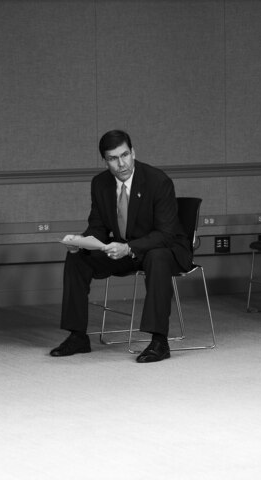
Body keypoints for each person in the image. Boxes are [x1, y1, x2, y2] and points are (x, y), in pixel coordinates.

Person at [49, 130, 190, 363]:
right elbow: (97, 227)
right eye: (113, 158)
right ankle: (77, 336)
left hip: (167, 248)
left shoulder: (158, 181)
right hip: (127, 248)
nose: (121, 163)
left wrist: (129, 248)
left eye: (125, 155)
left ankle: (159, 341)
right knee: (78, 259)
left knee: (157, 256)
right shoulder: (100, 184)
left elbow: (165, 234)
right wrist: (82, 243)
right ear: (105, 161)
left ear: (133, 152)